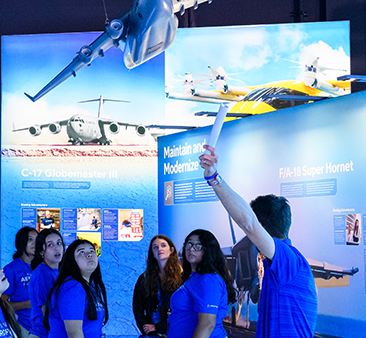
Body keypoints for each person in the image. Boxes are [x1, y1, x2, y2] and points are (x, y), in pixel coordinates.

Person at [200, 145, 316, 336]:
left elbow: (248, 223)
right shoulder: (285, 264)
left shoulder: (288, 259)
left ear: (261, 226)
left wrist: (213, 177)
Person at [167, 230, 235, 338]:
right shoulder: (194, 277)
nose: (191, 249)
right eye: (189, 244)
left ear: (208, 250)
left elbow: (207, 324)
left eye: (198, 246)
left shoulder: (208, 279)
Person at [45, 240, 107, 338]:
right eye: (81, 252)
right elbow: (74, 334)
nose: (89, 255)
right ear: (71, 260)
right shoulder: (72, 288)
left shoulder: (88, 287)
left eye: (92, 251)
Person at [132, 235, 181, 336]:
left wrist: (160, 327)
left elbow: (183, 309)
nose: (159, 249)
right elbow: (138, 307)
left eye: (163, 245)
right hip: (152, 333)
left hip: (176, 330)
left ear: (171, 250)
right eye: (155, 247)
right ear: (152, 253)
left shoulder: (182, 276)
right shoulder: (144, 278)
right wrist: (145, 327)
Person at [27, 229, 64, 338]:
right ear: (41, 252)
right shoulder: (42, 274)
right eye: (50, 245)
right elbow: (47, 311)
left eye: (59, 243)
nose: (57, 248)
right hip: (43, 334)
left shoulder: (58, 271)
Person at [1, 227, 37, 338]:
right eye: (30, 239)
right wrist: (27, 304)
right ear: (21, 242)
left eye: (37, 239)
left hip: (45, 327)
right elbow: (2, 304)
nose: (35, 243)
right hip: (25, 327)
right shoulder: (11, 269)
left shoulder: (43, 266)